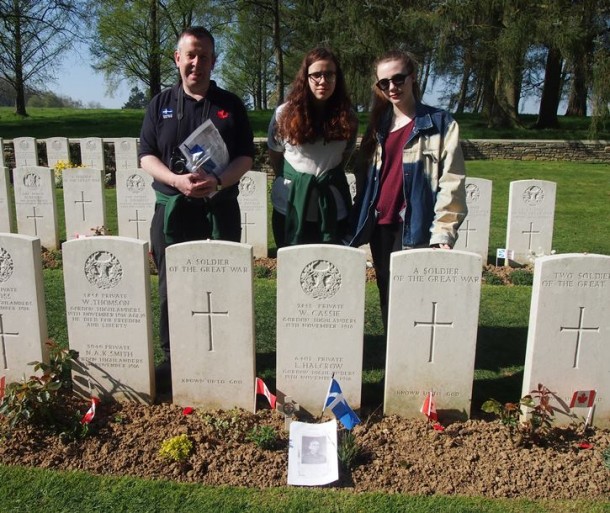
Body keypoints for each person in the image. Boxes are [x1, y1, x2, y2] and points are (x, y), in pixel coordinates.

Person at [139, 26, 255, 384]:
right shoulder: (160, 105)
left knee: (224, 283)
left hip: (219, 208)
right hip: (173, 208)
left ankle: (228, 352)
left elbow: (246, 157)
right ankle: (174, 356)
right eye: (190, 55)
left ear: (213, 61)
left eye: (204, 56)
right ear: (178, 59)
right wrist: (176, 181)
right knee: (170, 287)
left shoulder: (231, 105)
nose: (196, 63)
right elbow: (145, 155)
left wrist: (218, 181)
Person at [349, 50, 467, 332]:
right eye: (384, 83)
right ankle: (394, 361)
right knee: (388, 295)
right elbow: (366, 178)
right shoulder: (379, 126)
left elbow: (452, 180)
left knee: (417, 301)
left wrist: (443, 232)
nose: (392, 87)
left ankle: (414, 362)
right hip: (380, 226)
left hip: (415, 225)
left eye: (398, 79)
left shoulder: (439, 124)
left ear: (412, 78)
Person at [267, 47, 358, 248]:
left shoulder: (349, 117)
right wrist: (299, 181)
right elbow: (275, 155)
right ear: (306, 77)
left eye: (329, 75)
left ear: (337, 78)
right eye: (316, 75)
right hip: (290, 207)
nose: (323, 81)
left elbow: (344, 157)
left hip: (333, 208)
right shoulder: (283, 114)